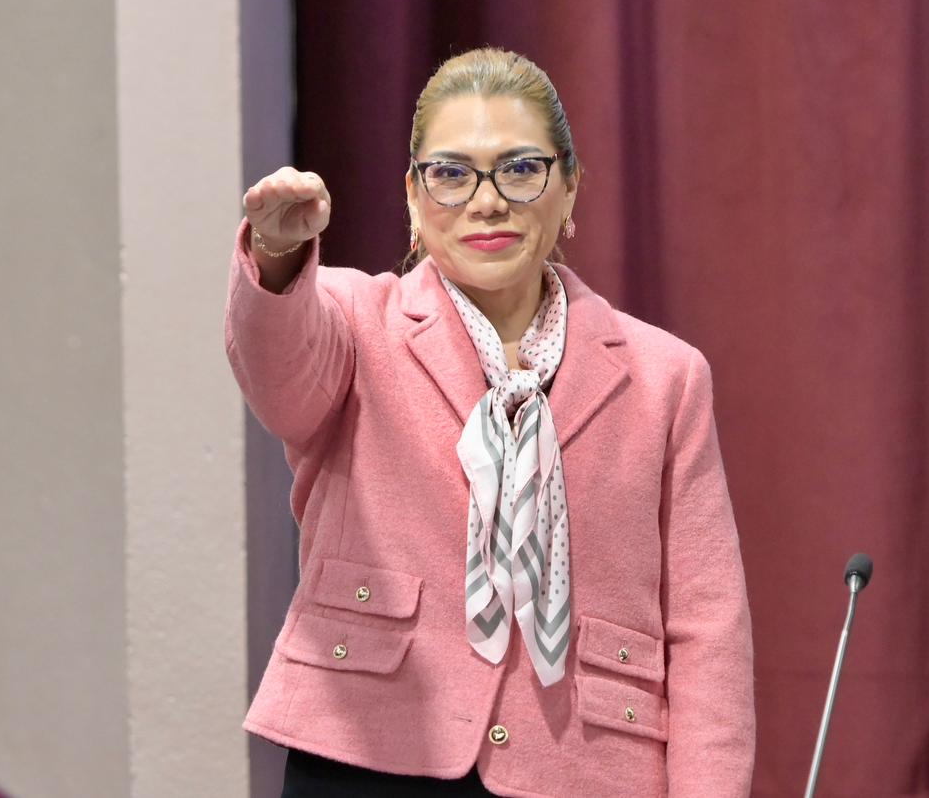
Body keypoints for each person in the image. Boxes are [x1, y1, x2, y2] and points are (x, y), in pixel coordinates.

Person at [225, 47, 754, 797]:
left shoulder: (667, 377)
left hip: (584, 765)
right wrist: (277, 252)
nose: (487, 201)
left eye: (521, 169)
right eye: (452, 173)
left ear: (569, 188)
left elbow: (708, 629)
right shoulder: (353, 320)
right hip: (368, 749)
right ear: (414, 197)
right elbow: (279, 376)